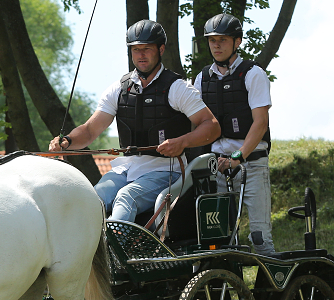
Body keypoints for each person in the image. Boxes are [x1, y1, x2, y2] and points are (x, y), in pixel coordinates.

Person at [49, 20, 220, 223]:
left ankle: (113, 253)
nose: (141, 55)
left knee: (126, 197)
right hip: (126, 168)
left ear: (161, 49)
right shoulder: (118, 90)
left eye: (146, 49)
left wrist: (182, 142)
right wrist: (67, 140)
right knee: (93, 199)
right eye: (136, 49)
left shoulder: (178, 88)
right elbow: (89, 131)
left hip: (166, 170)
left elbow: (212, 126)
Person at [194, 13, 275, 256]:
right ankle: (231, 291)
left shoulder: (254, 74)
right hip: (217, 167)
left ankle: (270, 292)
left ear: (237, 41)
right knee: (220, 241)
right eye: (212, 40)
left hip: (252, 164)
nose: (216, 45)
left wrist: (238, 156)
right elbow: (197, 125)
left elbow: (260, 123)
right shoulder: (201, 79)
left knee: (260, 239)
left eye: (223, 40)